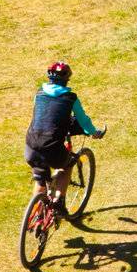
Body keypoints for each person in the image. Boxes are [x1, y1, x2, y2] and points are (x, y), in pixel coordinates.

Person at [24, 60, 103, 212]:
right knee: (67, 164)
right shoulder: (70, 98)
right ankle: (59, 200)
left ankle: (35, 219)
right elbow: (83, 120)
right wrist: (94, 132)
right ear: (67, 79)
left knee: (40, 181)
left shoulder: (39, 93)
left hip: (31, 145)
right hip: (51, 147)